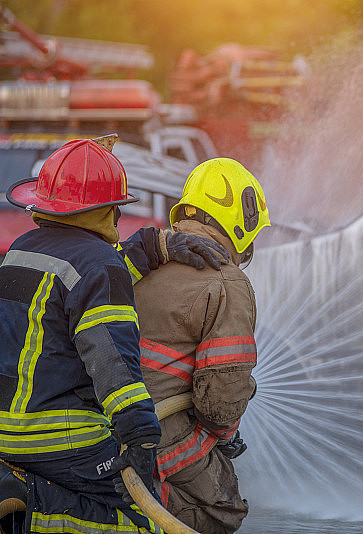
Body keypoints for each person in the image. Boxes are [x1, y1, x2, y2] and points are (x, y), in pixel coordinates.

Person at [0, 136, 229, 534]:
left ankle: (10, 489)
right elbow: (111, 359)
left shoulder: (22, 249)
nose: (119, 215)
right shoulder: (99, 264)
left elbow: (78, 288)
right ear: (102, 210)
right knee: (134, 513)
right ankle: (22, 497)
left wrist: (152, 247)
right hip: (46, 432)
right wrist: (139, 434)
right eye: (115, 206)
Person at [133, 157, 270, 533]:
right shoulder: (227, 283)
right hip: (158, 433)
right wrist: (226, 436)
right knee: (220, 510)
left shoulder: (147, 256)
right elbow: (219, 404)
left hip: (102, 421)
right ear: (242, 220)